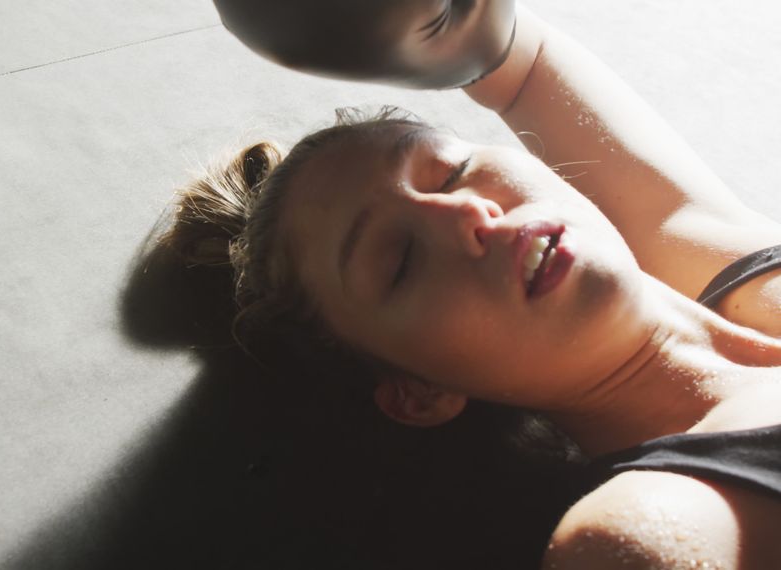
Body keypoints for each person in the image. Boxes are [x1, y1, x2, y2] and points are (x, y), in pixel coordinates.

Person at [162, 2, 781, 568]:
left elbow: (518, 60)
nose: (470, 216)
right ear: (419, 392)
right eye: (401, 259)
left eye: (451, 172)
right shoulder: (652, 528)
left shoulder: (713, 250)